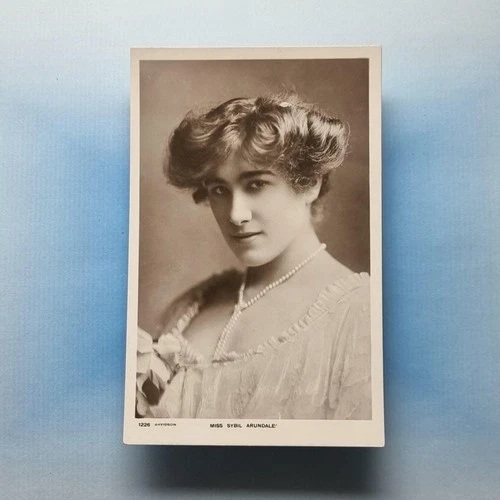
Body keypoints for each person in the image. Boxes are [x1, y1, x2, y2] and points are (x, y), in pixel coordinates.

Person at [136, 94, 371, 419]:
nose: (236, 214)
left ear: (310, 184)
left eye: (256, 184)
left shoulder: (359, 316)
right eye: (219, 190)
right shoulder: (193, 305)